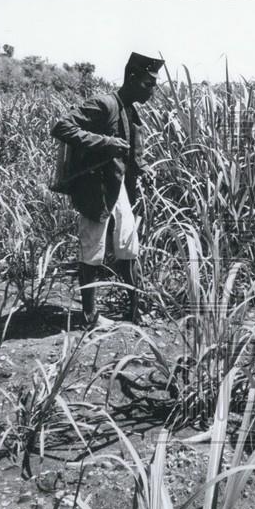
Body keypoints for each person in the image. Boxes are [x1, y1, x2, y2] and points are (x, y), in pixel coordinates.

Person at [51, 52, 163, 327]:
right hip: (94, 190)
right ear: (133, 78)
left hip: (118, 187)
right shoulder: (104, 103)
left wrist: (143, 169)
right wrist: (104, 142)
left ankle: (135, 310)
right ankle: (90, 317)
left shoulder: (130, 110)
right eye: (149, 83)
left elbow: (131, 152)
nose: (153, 89)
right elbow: (61, 127)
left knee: (128, 248)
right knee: (93, 251)